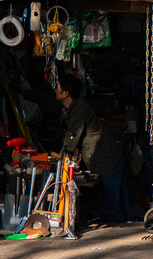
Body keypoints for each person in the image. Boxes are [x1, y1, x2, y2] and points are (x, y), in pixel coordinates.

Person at [55, 75, 132, 224]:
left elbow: (73, 134)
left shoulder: (78, 110)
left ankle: (118, 234)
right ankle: (127, 228)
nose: (55, 89)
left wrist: (64, 153)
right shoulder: (73, 108)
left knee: (114, 206)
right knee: (121, 201)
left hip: (107, 160)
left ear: (66, 93)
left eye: (58, 87)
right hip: (111, 158)